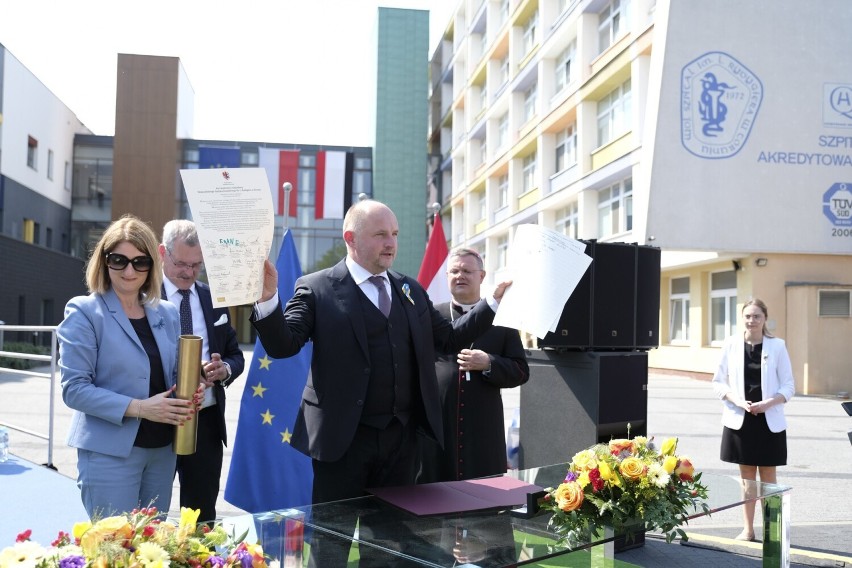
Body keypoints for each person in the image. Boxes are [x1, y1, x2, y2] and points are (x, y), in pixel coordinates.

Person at [251, 199, 511, 566]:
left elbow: (450, 339)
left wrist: (493, 302)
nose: (391, 243)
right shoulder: (317, 287)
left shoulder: (410, 290)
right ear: (351, 238)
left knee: (391, 547)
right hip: (341, 443)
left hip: (400, 443)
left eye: (394, 234)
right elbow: (283, 344)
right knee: (332, 545)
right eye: (380, 235)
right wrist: (267, 301)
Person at [58, 214, 201, 519]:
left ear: (152, 265)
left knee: (154, 552)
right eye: (118, 260)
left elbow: (171, 378)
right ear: (104, 261)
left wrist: (190, 390)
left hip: (162, 452)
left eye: (140, 262)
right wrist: (140, 407)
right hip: (110, 454)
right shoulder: (84, 312)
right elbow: (74, 390)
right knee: (114, 553)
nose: (129, 270)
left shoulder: (167, 313)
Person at [418, 248, 529, 482]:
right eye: (455, 271)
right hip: (439, 426)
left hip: (483, 427)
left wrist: (489, 363)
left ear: (482, 276)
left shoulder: (503, 319)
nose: (460, 276)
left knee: (484, 503)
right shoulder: (431, 315)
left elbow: (521, 371)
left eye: (467, 271)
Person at [159, 219, 245, 523]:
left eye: (197, 265)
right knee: (149, 512)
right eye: (181, 263)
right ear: (162, 253)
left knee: (201, 515)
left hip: (206, 422)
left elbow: (236, 355)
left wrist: (224, 370)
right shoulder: (142, 297)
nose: (189, 272)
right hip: (158, 420)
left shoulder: (214, 298)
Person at [712, 298, 795, 541]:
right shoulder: (730, 344)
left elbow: (789, 385)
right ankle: (748, 530)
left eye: (757, 316)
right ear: (743, 318)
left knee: (769, 478)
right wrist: (737, 401)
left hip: (769, 421)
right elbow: (718, 382)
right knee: (747, 478)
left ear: (764, 318)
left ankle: (773, 533)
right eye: (748, 316)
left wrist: (769, 403)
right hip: (740, 421)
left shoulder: (777, 346)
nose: (752, 320)